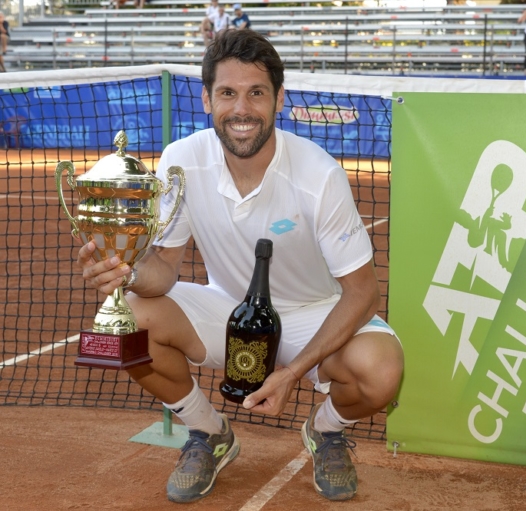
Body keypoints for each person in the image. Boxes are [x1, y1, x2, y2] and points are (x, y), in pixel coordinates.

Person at [76, 28, 404, 504]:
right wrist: (124, 272)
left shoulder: (320, 175)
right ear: (207, 98)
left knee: (382, 371)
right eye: (228, 93)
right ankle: (209, 433)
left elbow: (361, 292)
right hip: (228, 310)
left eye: (257, 93)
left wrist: (292, 375)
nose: (242, 109)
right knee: (131, 320)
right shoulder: (181, 162)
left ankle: (326, 431)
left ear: (279, 100)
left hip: (313, 311)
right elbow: (165, 265)